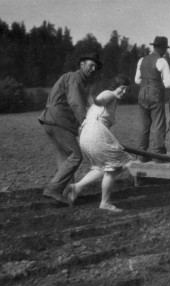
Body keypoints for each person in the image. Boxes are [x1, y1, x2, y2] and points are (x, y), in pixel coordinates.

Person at [38, 53, 101, 204]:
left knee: (66, 157)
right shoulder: (74, 78)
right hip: (59, 120)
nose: (93, 69)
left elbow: (87, 102)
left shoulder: (82, 82)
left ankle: (67, 194)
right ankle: (53, 189)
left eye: (95, 67)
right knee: (75, 155)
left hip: (52, 120)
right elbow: (76, 103)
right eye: (90, 65)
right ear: (82, 65)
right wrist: (86, 124)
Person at [65, 75, 134, 213]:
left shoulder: (111, 99)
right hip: (95, 132)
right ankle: (105, 203)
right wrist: (97, 100)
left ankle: (77, 187)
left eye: (127, 90)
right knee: (115, 166)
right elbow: (101, 100)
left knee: (104, 166)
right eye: (122, 88)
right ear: (115, 86)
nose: (124, 92)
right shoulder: (109, 94)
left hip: (86, 134)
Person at [135, 36, 170, 162]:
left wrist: (146, 86)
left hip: (142, 93)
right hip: (155, 94)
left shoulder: (142, 60)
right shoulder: (162, 61)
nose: (165, 51)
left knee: (143, 124)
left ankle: (141, 154)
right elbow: (168, 83)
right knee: (159, 123)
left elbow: (137, 80)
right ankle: (158, 154)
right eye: (165, 49)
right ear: (162, 48)